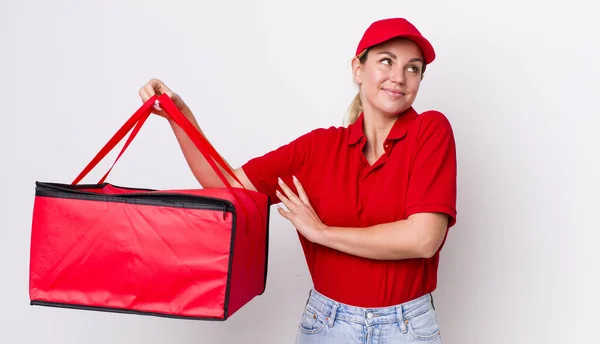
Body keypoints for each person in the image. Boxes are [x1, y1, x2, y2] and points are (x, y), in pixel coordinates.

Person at [139, 17, 456, 344]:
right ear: (358, 69)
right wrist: (181, 117)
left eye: (413, 68)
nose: (399, 78)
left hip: (406, 327)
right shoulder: (319, 149)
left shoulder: (429, 132)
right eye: (386, 61)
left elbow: (422, 238)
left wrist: (322, 233)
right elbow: (226, 185)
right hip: (328, 325)